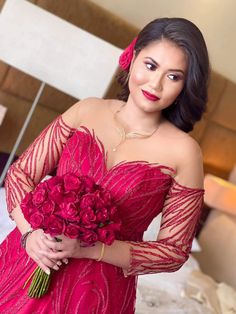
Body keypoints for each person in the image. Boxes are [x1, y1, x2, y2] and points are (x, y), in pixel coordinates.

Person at [0, 17, 209, 313]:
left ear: (187, 85)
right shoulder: (87, 109)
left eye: (174, 76)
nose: (156, 83)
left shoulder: (186, 152)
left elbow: (173, 252)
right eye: (150, 66)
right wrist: (29, 234)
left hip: (96, 290)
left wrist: (91, 248)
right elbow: (22, 173)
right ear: (133, 57)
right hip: (31, 255)